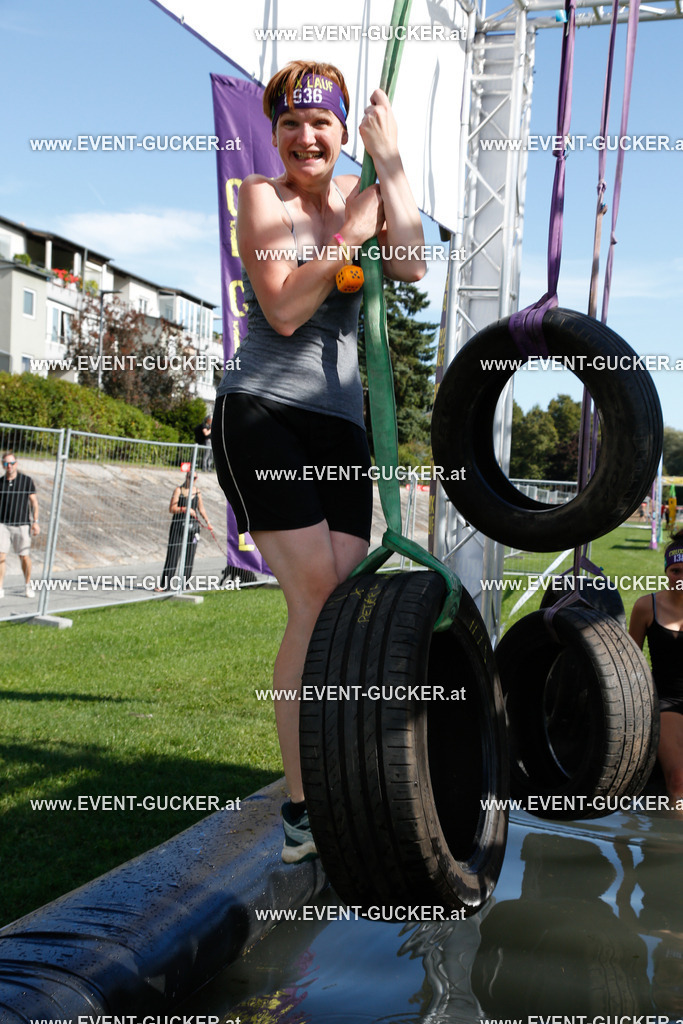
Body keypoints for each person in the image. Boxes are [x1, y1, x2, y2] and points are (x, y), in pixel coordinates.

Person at [211, 60, 426, 862]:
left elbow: (409, 265)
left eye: (321, 124)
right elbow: (284, 306)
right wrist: (348, 235)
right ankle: (302, 805)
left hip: (343, 427)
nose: (306, 137)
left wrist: (393, 164)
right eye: (290, 125)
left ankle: (327, 776)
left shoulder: (362, 192)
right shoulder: (260, 199)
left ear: (343, 133)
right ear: (274, 136)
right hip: (262, 412)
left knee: (337, 608)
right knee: (314, 598)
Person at [629, 530, 683, 802]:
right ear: (665, 571)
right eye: (676, 570)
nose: (681, 578)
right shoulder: (646, 606)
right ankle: (672, 844)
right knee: (678, 780)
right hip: (665, 700)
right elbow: (629, 662)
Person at [156, 467, 214, 591]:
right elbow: (172, 509)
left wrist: (208, 522)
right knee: (173, 554)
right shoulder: (179, 490)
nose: (192, 480)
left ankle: (185, 583)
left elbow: (201, 508)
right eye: (190, 477)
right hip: (178, 525)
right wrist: (185, 509)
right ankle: (165, 584)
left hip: (193, 528)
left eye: (194, 478)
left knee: (189, 556)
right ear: (186, 477)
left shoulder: (197, 492)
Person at [0, 451, 40, 599]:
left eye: (11, 463)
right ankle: (0, 587)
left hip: (22, 524)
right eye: (5, 463)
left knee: (24, 556)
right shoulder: (0, 482)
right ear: (2, 465)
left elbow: (34, 503)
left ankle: (28, 585)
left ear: (16, 464)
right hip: (3, 524)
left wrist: (35, 522)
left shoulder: (26, 481)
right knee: (1, 556)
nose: (9, 466)